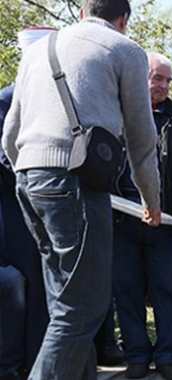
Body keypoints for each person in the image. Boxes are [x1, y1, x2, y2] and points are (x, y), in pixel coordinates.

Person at [2, 0, 163, 378]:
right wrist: (151, 201)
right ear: (123, 20)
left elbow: (10, 133)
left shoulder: (40, 49)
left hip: (29, 179)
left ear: (82, 13)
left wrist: (28, 173)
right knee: (84, 308)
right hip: (76, 183)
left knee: (64, 304)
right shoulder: (126, 50)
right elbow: (142, 139)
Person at [111, 52, 172, 380]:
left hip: (165, 220)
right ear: (138, 77)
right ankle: (135, 355)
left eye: (167, 80)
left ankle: (167, 356)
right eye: (156, 77)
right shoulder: (115, 110)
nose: (162, 85)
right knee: (127, 289)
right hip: (122, 217)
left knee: (168, 289)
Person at [0, 26, 55, 380]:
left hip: (51, 213)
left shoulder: (57, 99)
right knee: (22, 288)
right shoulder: (4, 101)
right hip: (13, 212)